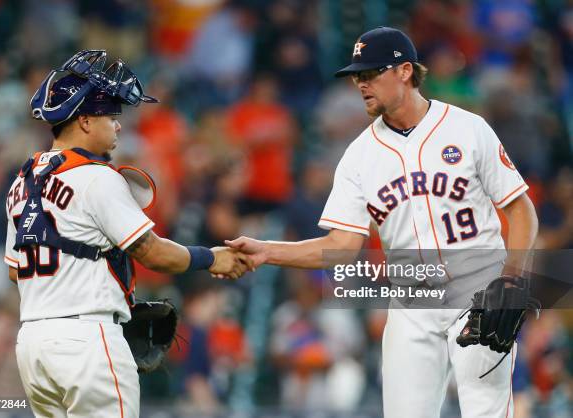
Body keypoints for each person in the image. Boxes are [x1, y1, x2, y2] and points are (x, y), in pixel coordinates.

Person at [226, 27, 538, 418]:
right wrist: (268, 250)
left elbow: (520, 209)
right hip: (411, 299)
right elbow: (341, 247)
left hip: (478, 291)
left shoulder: (467, 128)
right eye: (357, 75)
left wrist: (511, 279)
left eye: (371, 73)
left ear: (405, 71)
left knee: (486, 412)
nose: (360, 83)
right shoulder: (359, 156)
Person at [4, 50, 250, 418]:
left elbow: (15, 270)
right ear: (85, 121)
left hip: (33, 345)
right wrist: (213, 257)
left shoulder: (22, 181)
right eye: (111, 116)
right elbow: (152, 253)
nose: (118, 125)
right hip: (87, 339)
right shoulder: (97, 177)